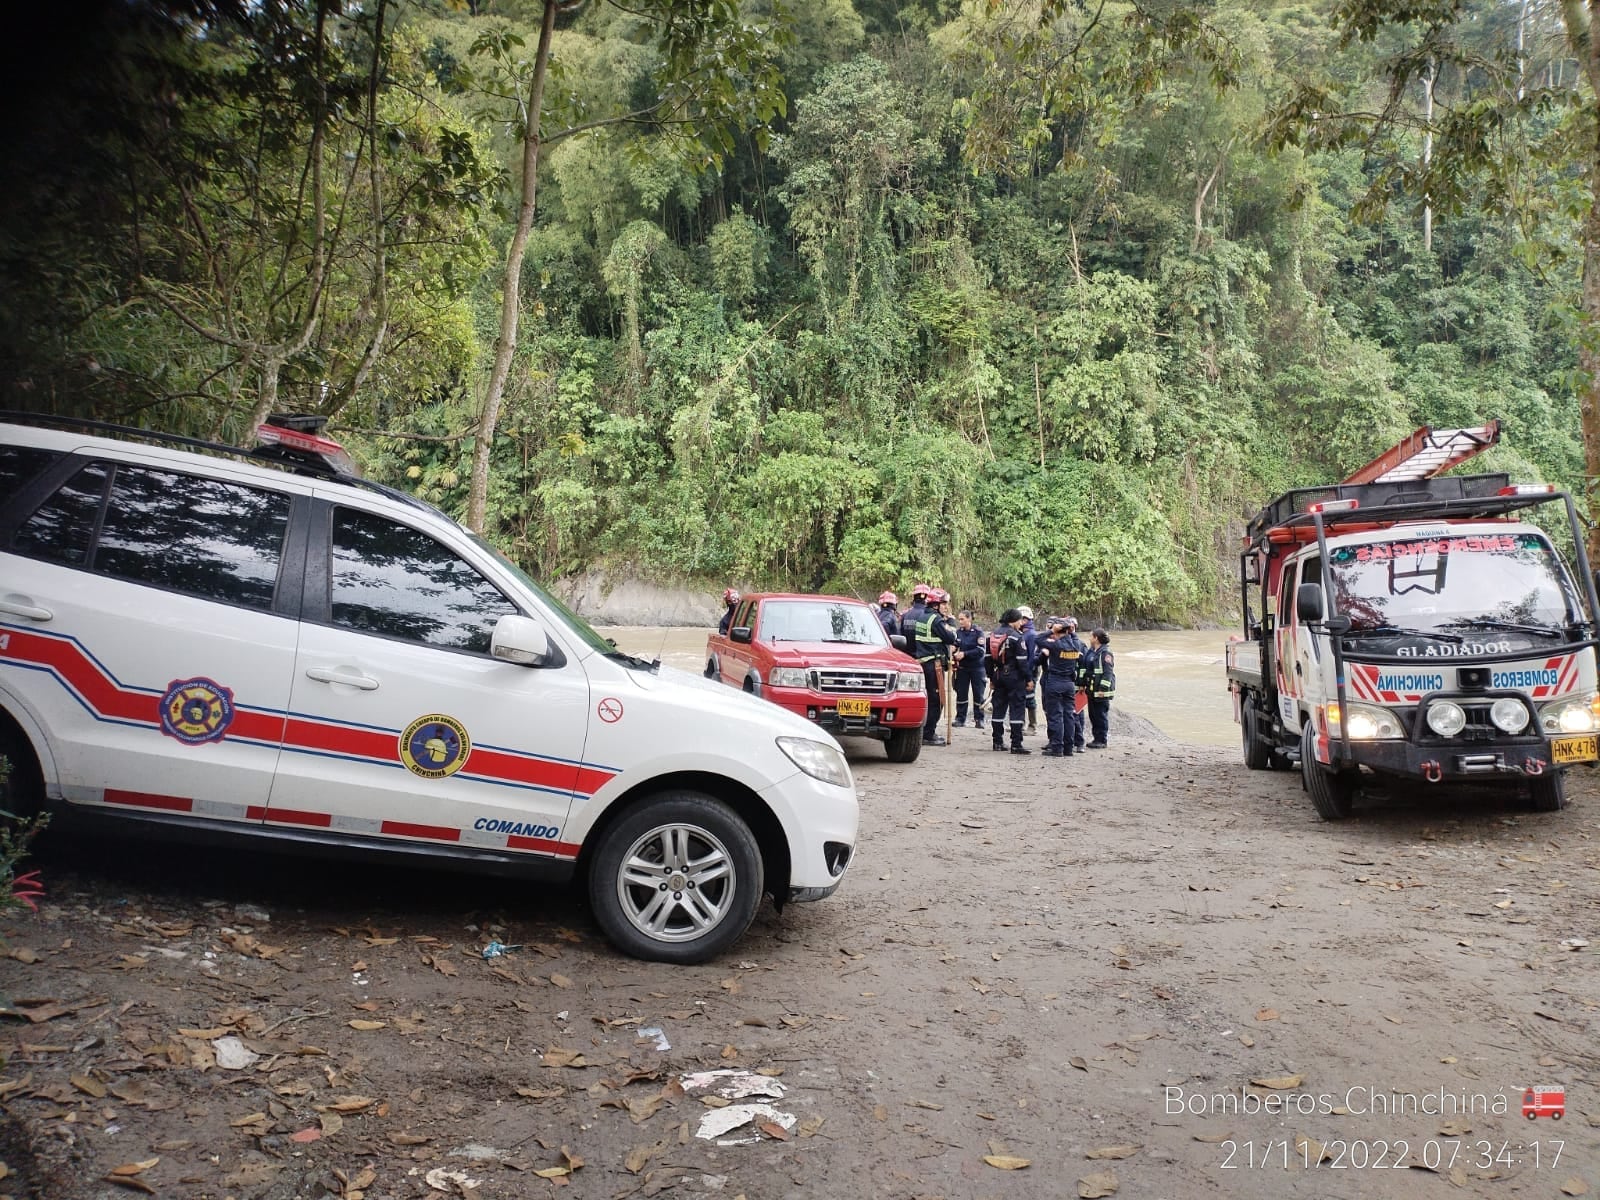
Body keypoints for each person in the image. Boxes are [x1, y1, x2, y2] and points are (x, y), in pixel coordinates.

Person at [912, 587, 957, 745]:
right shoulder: (936, 620)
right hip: (934, 665)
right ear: (936, 605)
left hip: (923, 663)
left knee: (928, 698)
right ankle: (928, 734)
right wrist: (951, 624)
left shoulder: (922, 617)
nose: (946, 606)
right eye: (943, 603)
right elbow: (950, 637)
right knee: (937, 700)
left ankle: (924, 731)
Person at [1036, 617, 1086, 756]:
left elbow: (1038, 640)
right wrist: (1071, 632)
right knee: (1069, 715)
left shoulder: (1056, 645)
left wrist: (1051, 631)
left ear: (1058, 631)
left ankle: (1057, 748)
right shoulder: (1075, 644)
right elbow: (1075, 640)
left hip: (1055, 682)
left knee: (1056, 716)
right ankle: (1069, 749)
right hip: (1069, 684)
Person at [986, 608, 1033, 754]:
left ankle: (997, 742)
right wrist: (1028, 679)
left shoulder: (992, 635)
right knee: (1017, 709)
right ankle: (1016, 744)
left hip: (998, 675)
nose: (1021, 623)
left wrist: (991, 678)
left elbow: (987, 659)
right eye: (1020, 620)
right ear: (1013, 621)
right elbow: (1022, 662)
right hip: (1014, 676)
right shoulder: (1016, 637)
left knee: (998, 709)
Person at [952, 609, 987, 727]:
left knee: (978, 694)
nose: (960, 621)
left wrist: (965, 654)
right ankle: (960, 718)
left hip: (977, 668)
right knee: (961, 693)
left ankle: (979, 719)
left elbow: (981, 651)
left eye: (962, 619)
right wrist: (953, 649)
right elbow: (956, 644)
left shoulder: (978, 632)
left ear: (969, 619)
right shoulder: (959, 632)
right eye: (959, 619)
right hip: (963, 668)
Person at [1081, 628, 1116, 748]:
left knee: (1100, 715)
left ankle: (1102, 740)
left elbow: (1108, 673)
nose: (1089, 638)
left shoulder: (1105, 654)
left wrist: (1102, 689)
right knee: (1093, 715)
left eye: (1091, 636)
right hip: (1092, 689)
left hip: (1101, 691)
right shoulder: (1092, 651)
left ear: (1096, 638)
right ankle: (1096, 738)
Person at [1063, 616, 1087, 751]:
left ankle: (1078, 741)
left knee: (1076, 713)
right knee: (1072, 713)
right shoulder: (1063, 642)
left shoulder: (1079, 644)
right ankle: (1071, 740)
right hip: (1068, 682)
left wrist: (1082, 683)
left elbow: (1084, 666)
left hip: (1075, 683)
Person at [1017, 605, 1039, 732]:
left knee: (1029, 697)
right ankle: (1021, 723)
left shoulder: (1031, 635)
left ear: (1024, 620)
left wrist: (1028, 675)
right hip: (1024, 670)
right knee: (1021, 696)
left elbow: (1031, 657)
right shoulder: (1024, 633)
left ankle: (1032, 726)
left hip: (1030, 670)